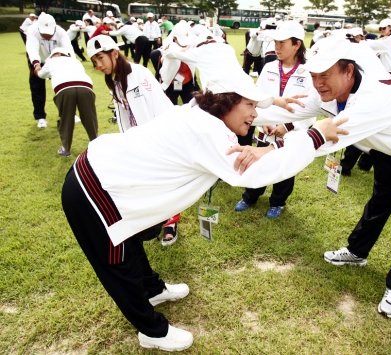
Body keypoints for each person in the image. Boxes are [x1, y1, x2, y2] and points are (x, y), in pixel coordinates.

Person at [61, 64, 345, 351]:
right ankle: (151, 331)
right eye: (249, 104)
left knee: (130, 243)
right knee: (118, 263)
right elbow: (259, 172)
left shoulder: (201, 109)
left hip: (106, 177)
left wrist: (273, 106)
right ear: (228, 101)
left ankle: (152, 290)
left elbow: (247, 114)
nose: (255, 114)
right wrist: (314, 136)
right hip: (94, 192)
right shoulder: (208, 132)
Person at [256, 37, 391, 318]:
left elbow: (321, 141)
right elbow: (291, 110)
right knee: (379, 202)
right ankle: (357, 251)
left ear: (349, 71)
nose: (318, 83)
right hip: (388, 146)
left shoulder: (372, 100)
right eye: (313, 75)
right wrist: (244, 113)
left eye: (325, 75)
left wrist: (264, 152)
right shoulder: (328, 91)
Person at [87, 34, 181, 245]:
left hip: (159, 138)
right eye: (94, 62)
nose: (98, 66)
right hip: (139, 142)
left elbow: (157, 107)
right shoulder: (114, 80)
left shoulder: (138, 73)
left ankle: (171, 223)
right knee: (146, 184)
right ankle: (151, 222)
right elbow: (124, 114)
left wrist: (156, 142)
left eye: (100, 59)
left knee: (164, 183)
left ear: (114, 54)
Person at [235, 20, 315, 219]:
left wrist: (287, 126)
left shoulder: (309, 73)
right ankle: (250, 195)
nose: (276, 47)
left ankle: (278, 201)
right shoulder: (268, 67)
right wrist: (265, 122)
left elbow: (310, 108)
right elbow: (259, 98)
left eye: (282, 43)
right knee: (258, 162)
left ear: (296, 44)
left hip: (292, 131)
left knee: (285, 166)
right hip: (266, 126)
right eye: (275, 43)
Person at [35, 47, 98, 156]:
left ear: (53, 55)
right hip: (86, 87)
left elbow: (41, 75)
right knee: (90, 117)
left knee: (66, 119)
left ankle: (66, 149)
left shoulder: (50, 61)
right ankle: (96, 144)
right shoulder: (75, 60)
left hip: (64, 89)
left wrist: (37, 68)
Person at [25, 12, 74, 129]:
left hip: (58, 59)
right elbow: (32, 50)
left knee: (64, 86)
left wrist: (69, 65)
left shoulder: (61, 32)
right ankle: (40, 117)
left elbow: (69, 50)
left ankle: (69, 114)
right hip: (38, 60)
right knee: (37, 88)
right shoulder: (32, 30)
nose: (47, 36)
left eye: (50, 34)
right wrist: (36, 65)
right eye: (44, 34)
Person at [366, 18, 391, 83]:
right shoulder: (388, 38)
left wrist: (361, 40)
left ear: (390, 27)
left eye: (384, 28)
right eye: (380, 28)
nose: (382, 30)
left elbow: (374, 44)